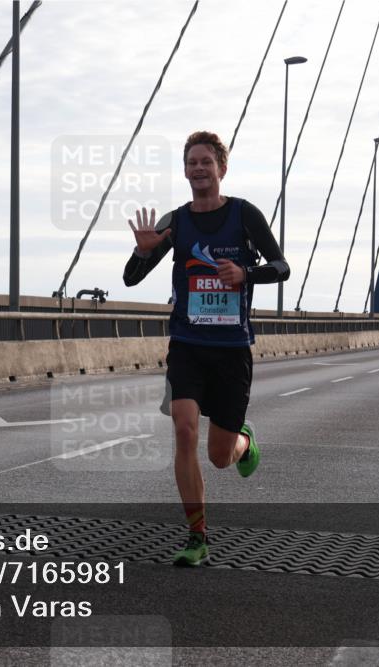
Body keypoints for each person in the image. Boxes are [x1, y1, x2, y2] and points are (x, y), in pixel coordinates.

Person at [123, 131, 289, 567]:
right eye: (191, 162)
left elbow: (281, 266)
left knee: (218, 457)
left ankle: (243, 442)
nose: (199, 169)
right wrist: (143, 253)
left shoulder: (244, 214)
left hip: (232, 349)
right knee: (183, 431)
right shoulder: (175, 221)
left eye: (206, 162)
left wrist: (247, 275)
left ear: (222, 169)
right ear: (185, 169)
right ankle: (197, 537)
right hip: (188, 345)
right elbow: (130, 277)